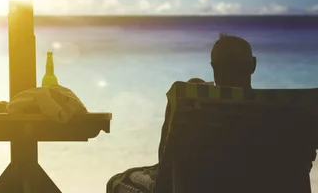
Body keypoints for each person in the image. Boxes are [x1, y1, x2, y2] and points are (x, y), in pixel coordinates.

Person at [107, 33, 257, 193]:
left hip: (193, 186)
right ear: (253, 65)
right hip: (255, 184)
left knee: (116, 181)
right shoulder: (278, 109)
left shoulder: (192, 100)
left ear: (214, 67)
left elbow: (166, 165)